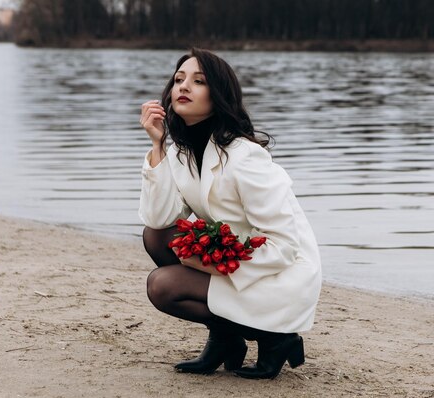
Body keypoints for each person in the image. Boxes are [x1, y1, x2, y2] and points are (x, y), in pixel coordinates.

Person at [138, 47, 322, 379]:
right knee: (155, 236)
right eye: (179, 79)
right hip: (237, 255)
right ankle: (227, 339)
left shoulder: (244, 157)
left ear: (218, 94)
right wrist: (157, 147)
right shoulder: (181, 152)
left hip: (280, 272)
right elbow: (158, 219)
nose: (183, 87)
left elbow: (285, 245)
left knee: (162, 286)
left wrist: (215, 264)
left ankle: (276, 337)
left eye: (198, 81)